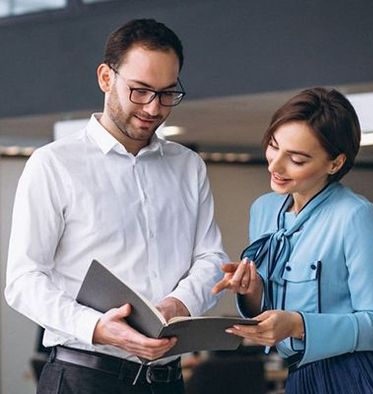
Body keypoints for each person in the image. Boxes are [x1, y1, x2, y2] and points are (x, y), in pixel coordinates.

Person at [5, 18, 227, 394]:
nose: (154, 108)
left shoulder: (189, 166)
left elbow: (211, 257)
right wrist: (95, 328)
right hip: (83, 378)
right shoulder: (54, 164)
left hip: (167, 381)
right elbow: (23, 281)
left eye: (167, 93)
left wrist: (179, 303)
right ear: (106, 78)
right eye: (140, 91)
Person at [213, 87, 373, 393]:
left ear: (335, 163)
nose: (275, 165)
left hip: (356, 375)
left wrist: (298, 324)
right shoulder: (264, 209)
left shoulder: (357, 217)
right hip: (299, 376)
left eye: (296, 159)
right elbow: (272, 306)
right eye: (273, 146)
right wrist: (254, 290)